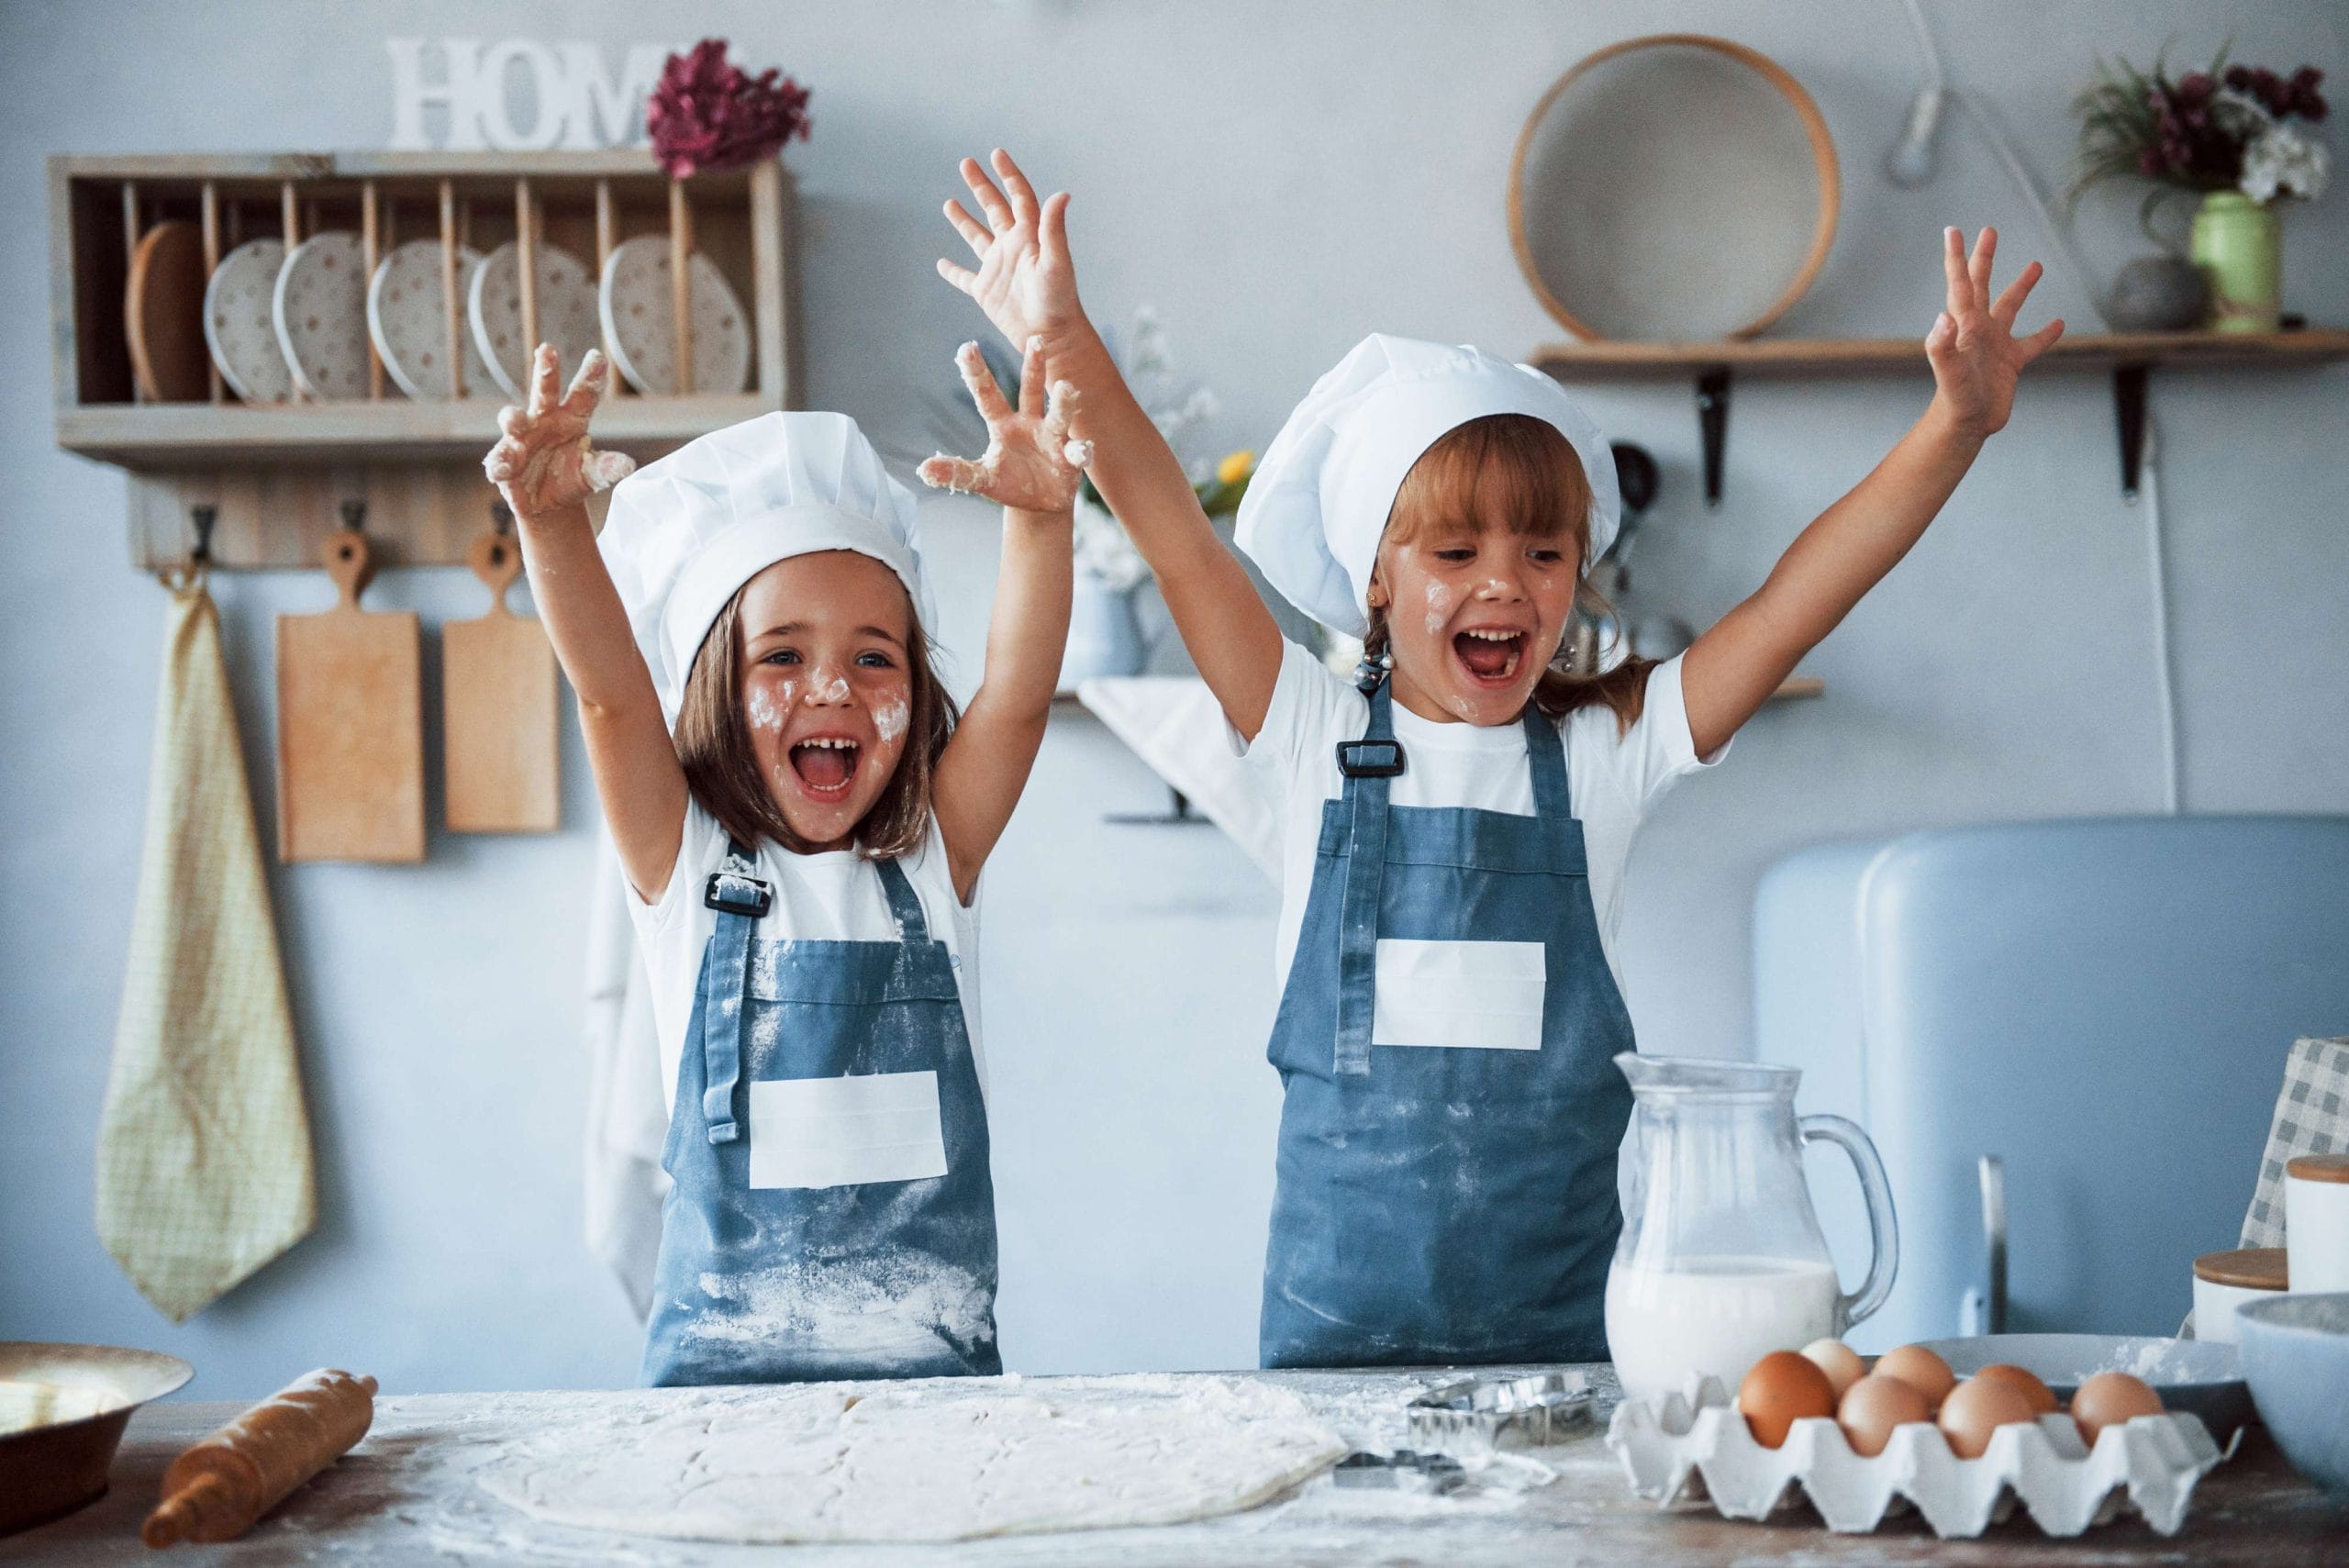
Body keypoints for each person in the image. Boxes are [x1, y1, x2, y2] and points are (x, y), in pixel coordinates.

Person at [932, 148, 2061, 1366]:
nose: (1505, 586)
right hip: (1334, 1353)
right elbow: (1175, 535)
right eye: (1454, 552)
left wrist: (1953, 427)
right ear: (1375, 576)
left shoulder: (1605, 755)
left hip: (1564, 1353)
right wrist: (1070, 339)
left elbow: (1800, 594)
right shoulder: (1307, 737)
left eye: (1541, 553)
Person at [483, 339, 1087, 1382]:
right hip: (721, 1400)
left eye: (872, 656)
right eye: (782, 655)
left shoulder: (937, 860)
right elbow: (612, 693)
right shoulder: (687, 864)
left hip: (936, 1404)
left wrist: (1039, 521)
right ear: (718, 683)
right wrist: (548, 524)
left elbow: (1020, 696)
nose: (832, 688)